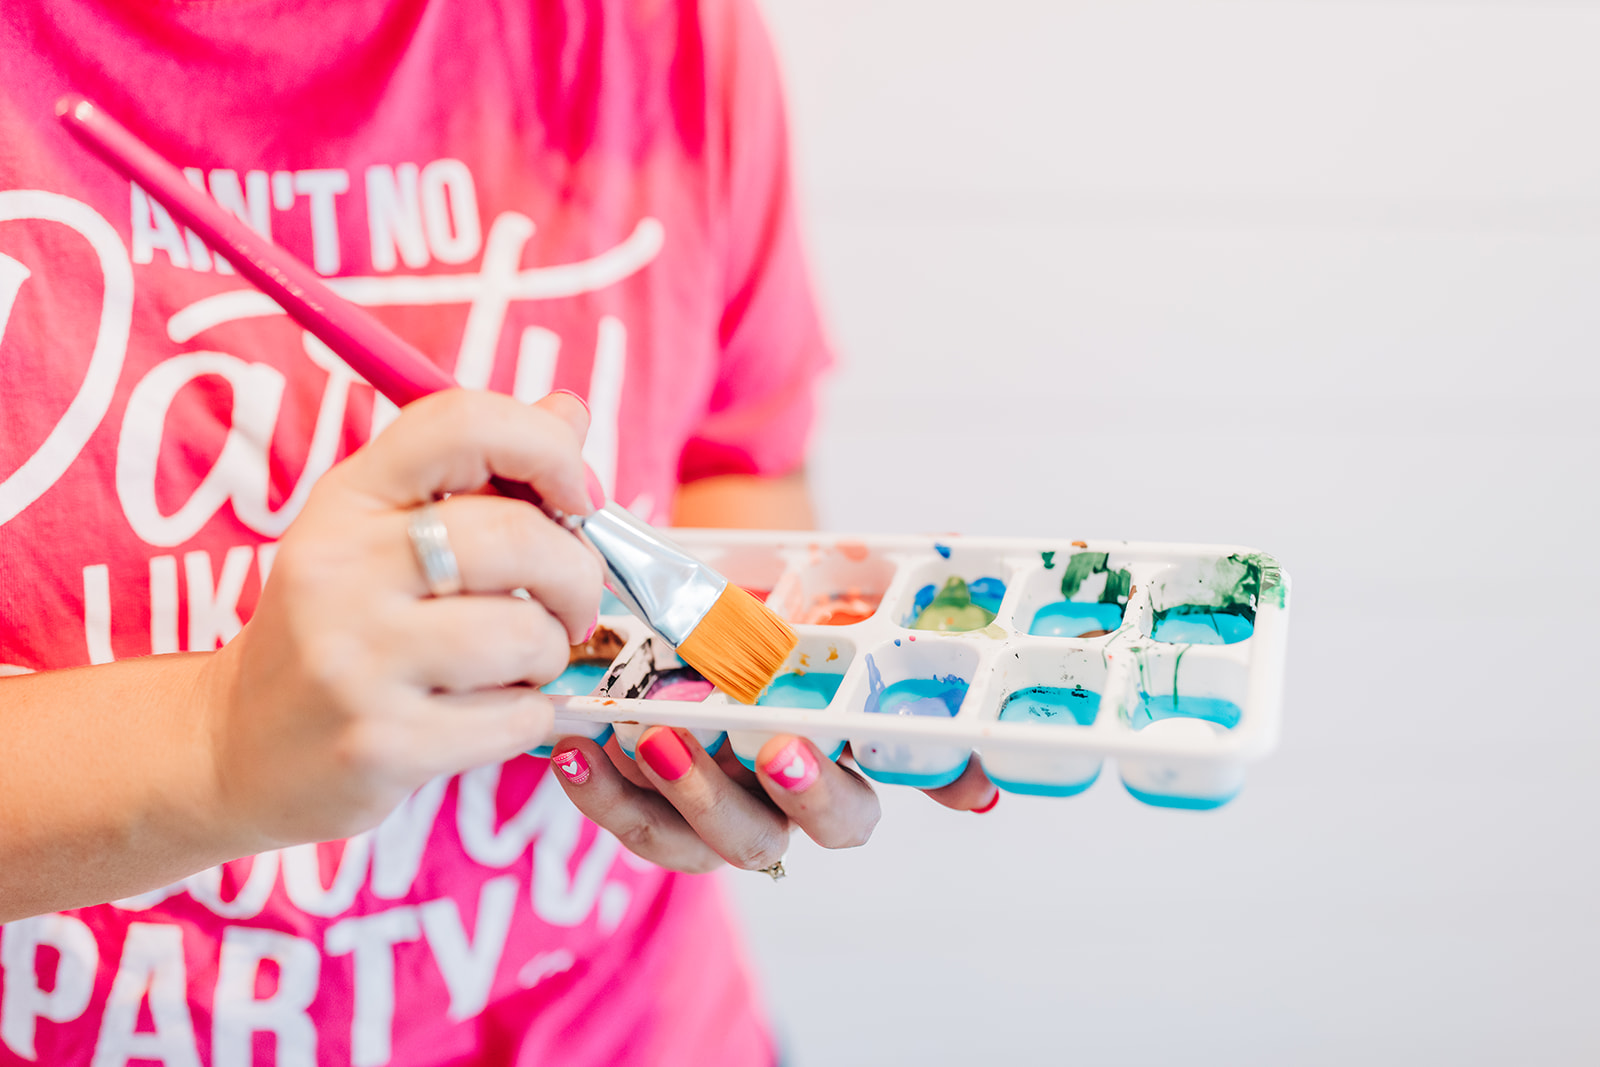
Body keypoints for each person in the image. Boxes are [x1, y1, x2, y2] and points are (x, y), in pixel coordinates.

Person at [0, 1, 998, 1063]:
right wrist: (210, 740)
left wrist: (723, 704)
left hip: (646, 1023)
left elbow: (735, 467)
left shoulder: (663, 34)